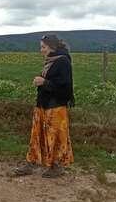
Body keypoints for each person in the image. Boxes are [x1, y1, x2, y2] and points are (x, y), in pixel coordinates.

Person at [14, 34, 74, 178]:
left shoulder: (63, 61)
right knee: (37, 136)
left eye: (43, 47)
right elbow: (52, 81)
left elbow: (66, 88)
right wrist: (41, 81)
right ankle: (31, 163)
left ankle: (56, 166)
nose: (41, 50)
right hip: (43, 105)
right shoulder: (51, 60)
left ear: (52, 47)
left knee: (55, 138)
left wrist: (44, 82)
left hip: (55, 108)